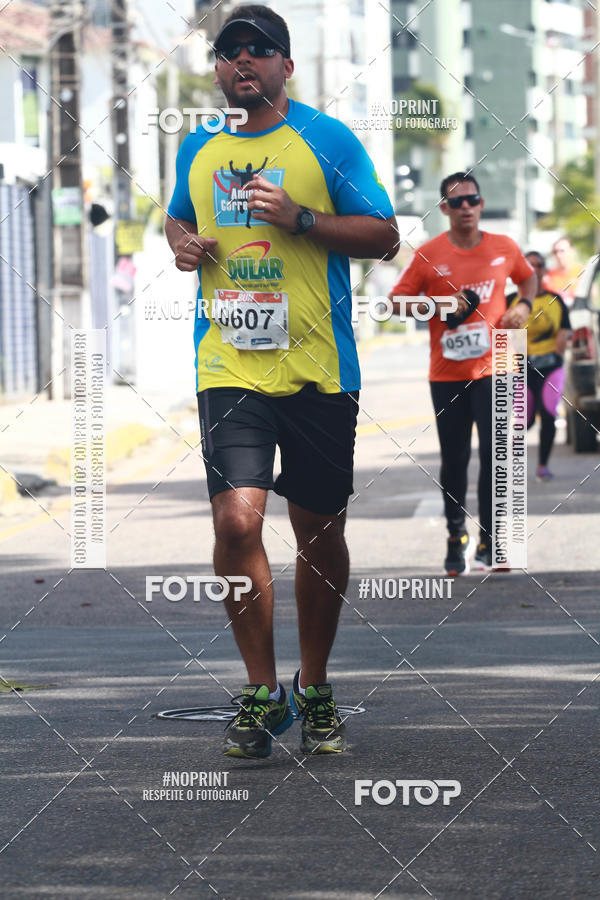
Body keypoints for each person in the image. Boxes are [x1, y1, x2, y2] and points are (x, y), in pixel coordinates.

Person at [164, 5, 398, 758]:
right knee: (236, 522)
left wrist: (301, 218)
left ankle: (316, 687)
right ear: (217, 70)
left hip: (318, 370)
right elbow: (177, 218)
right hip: (228, 366)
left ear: (286, 67)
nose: (243, 62)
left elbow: (384, 234)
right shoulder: (197, 149)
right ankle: (263, 692)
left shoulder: (325, 140)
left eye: (259, 51)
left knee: (318, 532)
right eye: (229, 52)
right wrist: (186, 244)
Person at [389, 172, 536, 573]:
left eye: (471, 200)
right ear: (444, 209)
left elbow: (528, 278)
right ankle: (457, 536)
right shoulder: (428, 255)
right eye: (456, 202)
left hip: (499, 364)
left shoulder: (504, 247)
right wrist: (439, 305)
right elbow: (396, 302)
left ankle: (494, 538)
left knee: (496, 455)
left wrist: (523, 305)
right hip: (448, 373)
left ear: (481, 204)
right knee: (455, 461)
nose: (465, 207)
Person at [508, 252, 571, 482]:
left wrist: (561, 343)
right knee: (525, 419)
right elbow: (498, 332)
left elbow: (565, 329)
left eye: (539, 265)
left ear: (545, 270)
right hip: (521, 368)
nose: (534, 269)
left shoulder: (556, 300)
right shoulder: (509, 300)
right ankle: (512, 460)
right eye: (529, 265)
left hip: (551, 367)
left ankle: (543, 465)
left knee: (548, 414)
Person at [544, 237, 581, 307]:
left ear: (572, 251)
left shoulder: (582, 273)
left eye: (562, 251)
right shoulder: (547, 276)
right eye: (555, 252)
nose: (558, 255)